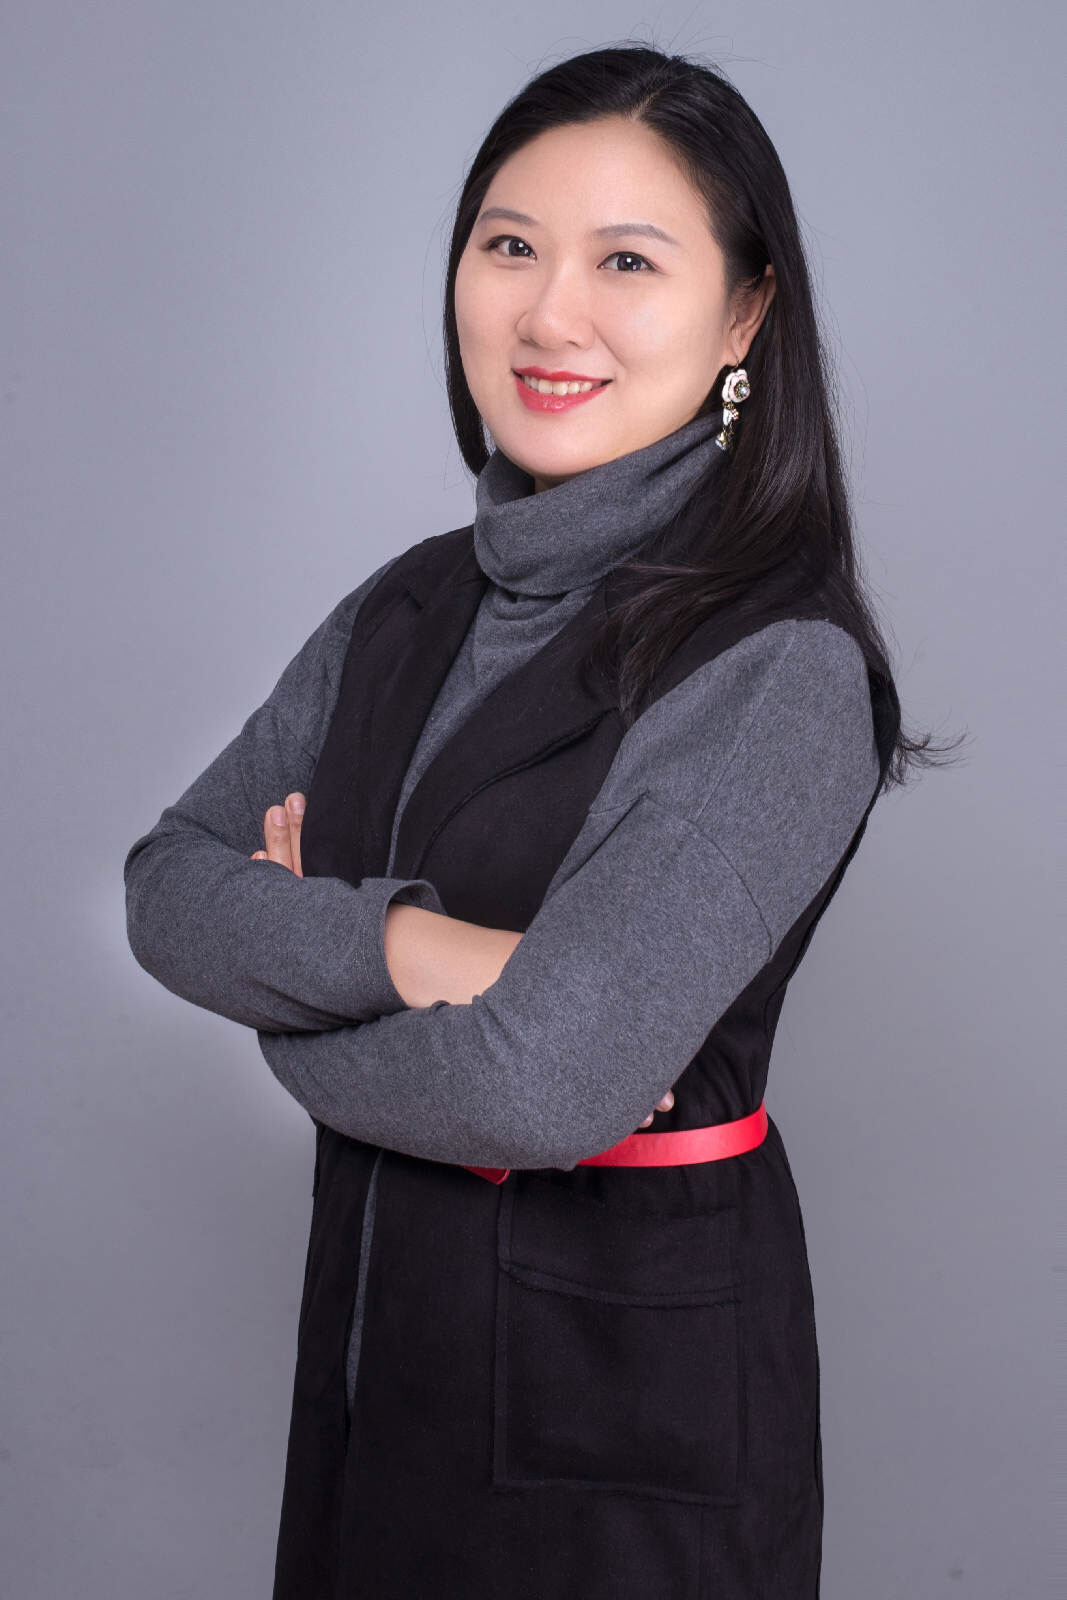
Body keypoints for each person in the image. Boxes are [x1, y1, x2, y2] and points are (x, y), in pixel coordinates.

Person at [124, 43, 948, 1600]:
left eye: (625, 262)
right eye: (509, 245)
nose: (548, 314)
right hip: (374, 1374)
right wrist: (430, 951)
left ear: (745, 314)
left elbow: (544, 1082)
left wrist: (285, 1010)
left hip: (620, 1436)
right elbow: (168, 890)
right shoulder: (402, 606)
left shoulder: (774, 665)